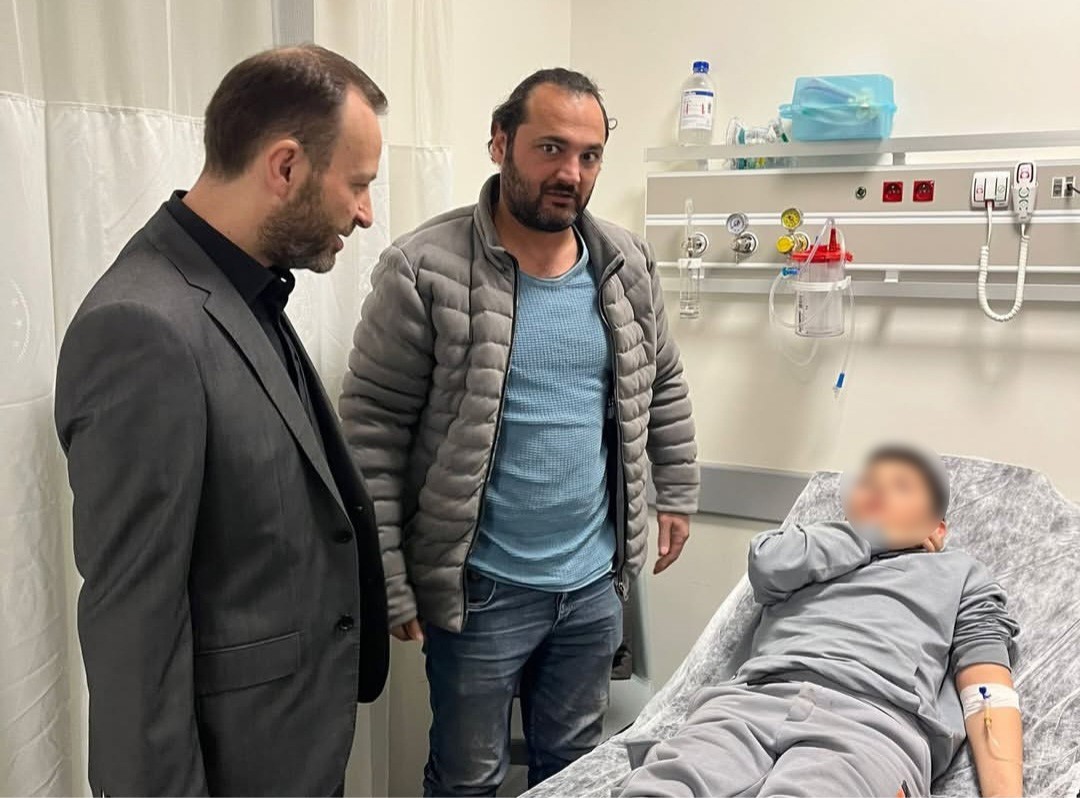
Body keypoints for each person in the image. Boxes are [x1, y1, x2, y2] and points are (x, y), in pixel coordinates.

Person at [340, 69, 699, 795]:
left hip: (593, 585)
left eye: (590, 155)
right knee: (467, 777)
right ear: (500, 142)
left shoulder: (626, 265)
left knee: (574, 770)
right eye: (551, 148)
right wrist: (389, 578)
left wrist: (679, 489)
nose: (571, 173)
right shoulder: (424, 268)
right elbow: (371, 431)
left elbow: (661, 381)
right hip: (481, 593)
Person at [54, 45, 390, 796]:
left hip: (295, 745)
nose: (366, 213)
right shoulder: (142, 328)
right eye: (359, 183)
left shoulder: (242, 289)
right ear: (286, 167)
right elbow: (134, 629)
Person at [617, 445, 1023, 798]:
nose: (879, 490)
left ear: (937, 527)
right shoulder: (811, 546)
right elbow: (768, 565)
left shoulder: (962, 575)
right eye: (869, 482)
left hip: (872, 725)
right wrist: (870, 536)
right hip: (750, 703)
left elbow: (987, 692)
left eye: (902, 486)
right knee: (660, 787)